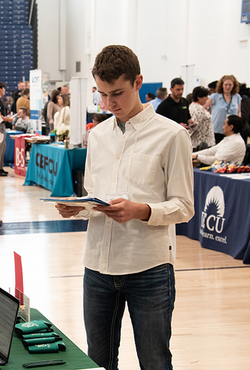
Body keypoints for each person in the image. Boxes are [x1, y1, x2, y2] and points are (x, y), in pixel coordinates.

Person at [55, 44, 194, 370]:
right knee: (97, 361)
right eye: (102, 94)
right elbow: (95, 195)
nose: (108, 103)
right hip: (97, 267)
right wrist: (79, 207)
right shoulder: (99, 135)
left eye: (116, 93)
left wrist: (141, 210)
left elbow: (185, 206)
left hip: (149, 269)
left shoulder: (172, 136)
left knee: (154, 362)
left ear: (138, 83)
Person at [204, 75, 241, 144]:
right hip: (217, 129)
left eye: (230, 85)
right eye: (226, 84)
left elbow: (239, 112)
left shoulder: (237, 97)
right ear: (222, 85)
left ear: (233, 86)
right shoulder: (214, 96)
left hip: (232, 130)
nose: (227, 87)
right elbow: (204, 107)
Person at [0, 82, 13, 176]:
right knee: (0, 147)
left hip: (3, 125)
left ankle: (1, 167)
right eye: (3, 89)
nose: (5, 90)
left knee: (3, 147)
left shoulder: (2, 100)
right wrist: (7, 119)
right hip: (0, 126)